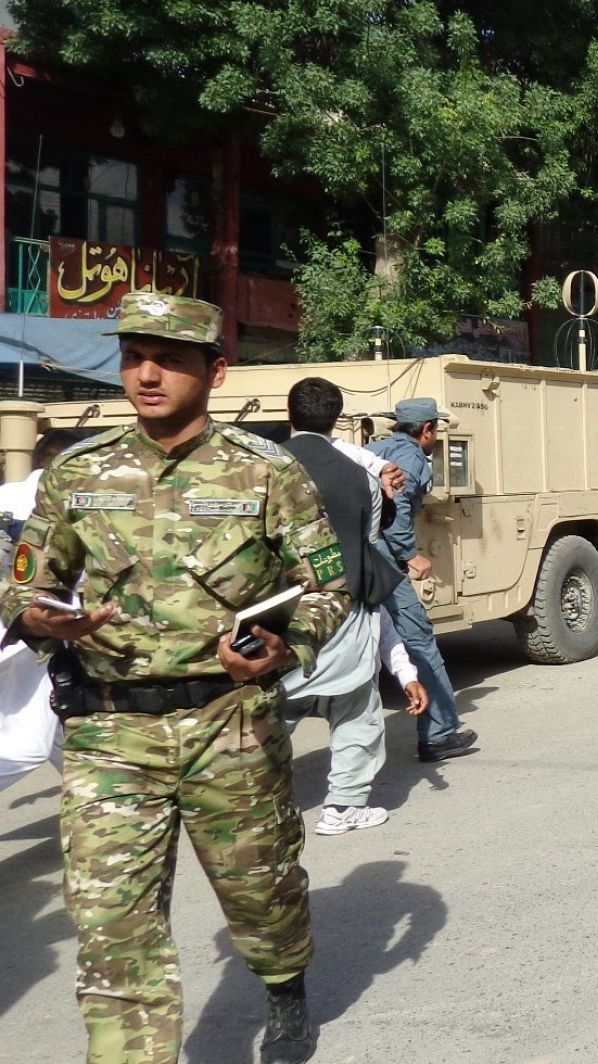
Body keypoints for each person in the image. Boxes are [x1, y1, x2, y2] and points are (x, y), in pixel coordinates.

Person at [0, 292, 350, 1064]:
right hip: (108, 730)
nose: (146, 374)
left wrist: (282, 651)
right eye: (132, 358)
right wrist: (37, 617)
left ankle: (284, 977)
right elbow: (23, 584)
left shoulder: (267, 475)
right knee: (111, 919)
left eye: (170, 359)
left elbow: (329, 587)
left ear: (215, 371)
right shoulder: (76, 475)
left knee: (260, 891)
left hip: (230, 723)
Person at [282, 377, 429, 835]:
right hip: (344, 613)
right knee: (357, 712)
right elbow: (367, 546)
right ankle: (343, 807)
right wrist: (403, 669)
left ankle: (251, 802)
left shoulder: (262, 466)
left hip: (275, 617)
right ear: (336, 418)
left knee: (269, 715)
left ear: (290, 416)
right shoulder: (360, 476)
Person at [367, 398, 478, 763]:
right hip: (384, 558)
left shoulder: (373, 448)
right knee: (418, 641)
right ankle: (439, 733)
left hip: (358, 556)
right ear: (427, 430)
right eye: (436, 430)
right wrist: (409, 553)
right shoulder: (412, 457)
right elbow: (396, 510)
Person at [0, 429, 82, 792]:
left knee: (66, 736)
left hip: (26, 633)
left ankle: (103, 808)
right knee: (25, 746)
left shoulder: (4, 495)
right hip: (31, 637)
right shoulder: (68, 503)